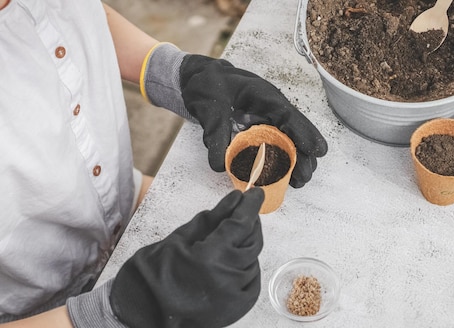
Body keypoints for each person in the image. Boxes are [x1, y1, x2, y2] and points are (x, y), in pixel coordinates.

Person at [0, 0, 328, 326]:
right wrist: (119, 312)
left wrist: (175, 74)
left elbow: (68, 19)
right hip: (44, 309)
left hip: (126, 205)